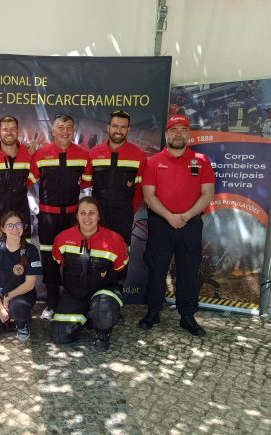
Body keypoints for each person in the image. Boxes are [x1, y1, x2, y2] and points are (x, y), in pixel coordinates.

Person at [138, 114, 215, 337]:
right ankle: (153, 311)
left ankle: (187, 316)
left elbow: (207, 193)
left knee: (189, 271)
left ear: (189, 134)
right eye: (174, 130)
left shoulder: (201, 160)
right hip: (161, 224)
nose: (178, 133)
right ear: (166, 134)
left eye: (183, 129)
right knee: (156, 269)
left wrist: (186, 215)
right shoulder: (153, 162)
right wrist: (170, 216)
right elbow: (149, 196)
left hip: (191, 224)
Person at [29, 114, 92, 320]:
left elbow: (85, 184)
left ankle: (73, 302)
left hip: (73, 220)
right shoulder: (40, 154)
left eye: (69, 128)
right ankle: (52, 302)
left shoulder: (83, 155)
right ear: (53, 131)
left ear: (73, 130)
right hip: (48, 218)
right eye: (61, 127)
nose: (65, 132)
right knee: (49, 261)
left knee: (74, 261)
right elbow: (29, 180)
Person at [50, 197, 128, 352]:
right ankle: (87, 317)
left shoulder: (114, 239)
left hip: (103, 292)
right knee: (59, 337)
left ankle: (103, 332)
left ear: (99, 216)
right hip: (74, 294)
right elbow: (60, 263)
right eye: (83, 213)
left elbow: (120, 271)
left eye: (92, 213)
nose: (87, 218)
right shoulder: (62, 238)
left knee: (102, 308)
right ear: (77, 216)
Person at [0, 211, 42, 341]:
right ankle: (6, 322)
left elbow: (29, 285)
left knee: (18, 308)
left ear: (24, 226)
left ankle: (21, 325)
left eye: (18, 225)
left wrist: (7, 298)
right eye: (10, 226)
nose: (15, 229)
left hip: (20, 296)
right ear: (3, 228)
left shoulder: (31, 250)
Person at [90, 110, 147, 245]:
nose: (118, 130)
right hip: (98, 216)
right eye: (115, 126)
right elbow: (85, 182)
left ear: (128, 129)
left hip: (124, 216)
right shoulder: (94, 153)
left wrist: (129, 212)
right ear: (108, 127)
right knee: (98, 254)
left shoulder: (139, 155)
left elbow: (139, 189)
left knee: (121, 256)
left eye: (123, 127)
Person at [0, 116, 32, 242]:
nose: (9, 133)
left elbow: (32, 180)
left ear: (18, 131)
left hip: (22, 217)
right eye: (5, 129)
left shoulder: (29, 154)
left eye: (13, 129)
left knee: (23, 257)